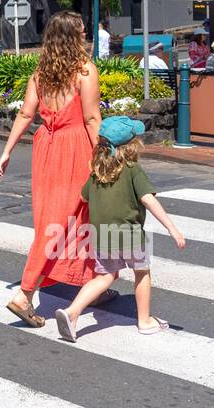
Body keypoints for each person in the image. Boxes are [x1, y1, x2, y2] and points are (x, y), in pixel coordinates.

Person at [0, 10, 105, 327]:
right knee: (64, 220)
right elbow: (92, 119)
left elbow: (26, 115)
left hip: (46, 148)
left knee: (66, 218)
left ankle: (93, 284)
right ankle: (25, 294)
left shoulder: (40, 73)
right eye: (82, 30)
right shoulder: (84, 71)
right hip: (74, 147)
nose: (86, 34)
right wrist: (103, 157)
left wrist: (7, 151)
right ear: (73, 37)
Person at [53, 117, 186, 343]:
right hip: (129, 234)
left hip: (102, 235)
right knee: (141, 273)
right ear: (131, 145)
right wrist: (172, 228)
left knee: (104, 277)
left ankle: (72, 312)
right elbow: (148, 199)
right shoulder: (132, 169)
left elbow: (83, 197)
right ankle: (144, 321)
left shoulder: (97, 171)